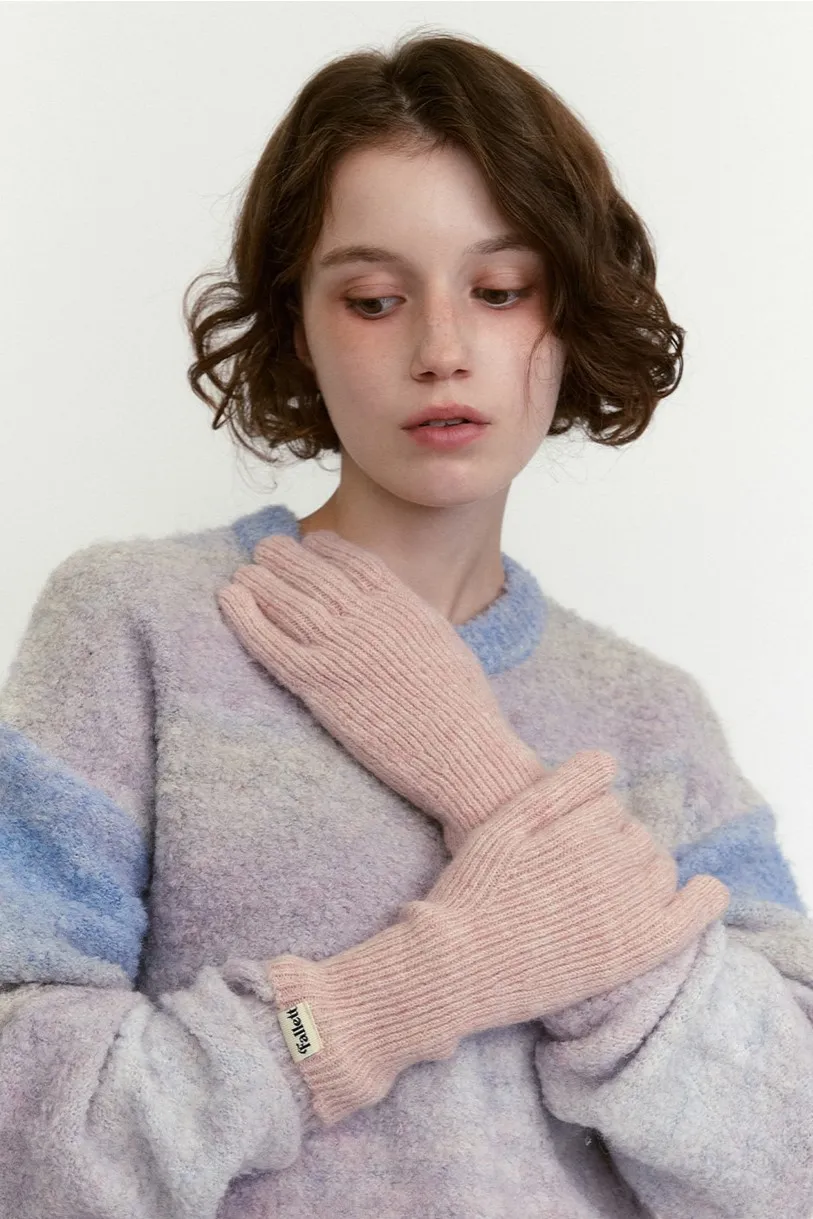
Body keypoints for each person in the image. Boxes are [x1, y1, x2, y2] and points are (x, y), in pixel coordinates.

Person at [1, 28, 811, 1219]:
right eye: (375, 300)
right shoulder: (139, 626)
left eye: (500, 291)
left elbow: (791, 1157)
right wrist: (412, 987)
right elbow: (27, 1144)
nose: (442, 350)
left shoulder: (652, 718)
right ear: (300, 322)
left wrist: (485, 775)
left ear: (565, 316)